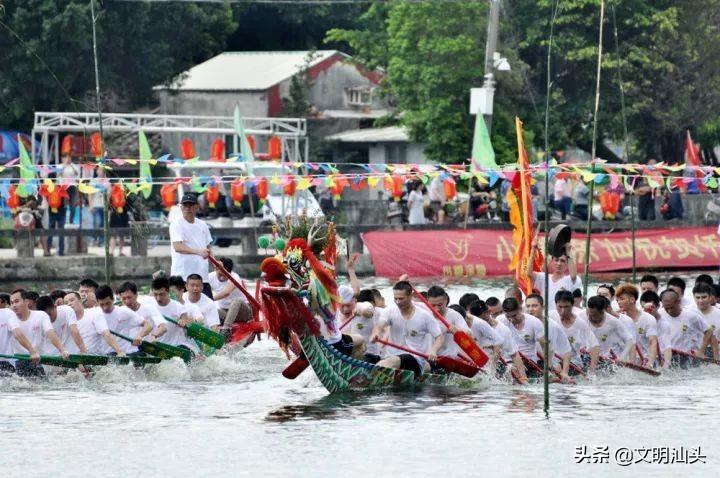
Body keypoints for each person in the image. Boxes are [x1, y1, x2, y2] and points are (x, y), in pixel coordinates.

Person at [369, 281, 444, 377]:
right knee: (390, 360)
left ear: (411, 296)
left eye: (401, 299)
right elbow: (379, 326)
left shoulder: (425, 316)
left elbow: (439, 337)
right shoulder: (390, 311)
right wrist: (376, 334)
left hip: (415, 360)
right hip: (391, 357)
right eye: (395, 299)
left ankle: (369, 376)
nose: (398, 302)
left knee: (393, 361)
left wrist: (433, 350)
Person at [10, 289, 69, 376]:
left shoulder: (41, 315)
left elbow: (50, 333)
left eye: (16, 301)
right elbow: (18, 334)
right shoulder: (10, 317)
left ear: (26, 302)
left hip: (38, 359)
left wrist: (62, 350)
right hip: (19, 359)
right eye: (11, 303)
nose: (14, 305)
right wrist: (32, 351)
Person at [169, 193, 214, 299]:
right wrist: (198, 252)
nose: (188, 208)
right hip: (182, 276)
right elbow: (178, 247)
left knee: (208, 306)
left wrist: (215, 263)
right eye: (185, 205)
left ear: (197, 207)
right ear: (181, 207)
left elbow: (208, 248)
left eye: (191, 205)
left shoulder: (203, 225)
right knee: (180, 309)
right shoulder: (176, 224)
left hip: (202, 275)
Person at [550, 291, 600, 375]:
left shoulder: (580, 324)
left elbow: (595, 347)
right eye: (560, 307)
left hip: (573, 362)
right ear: (555, 305)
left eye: (566, 307)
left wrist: (592, 370)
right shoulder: (550, 317)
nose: (563, 311)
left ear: (572, 305)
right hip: (552, 359)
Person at [525, 293, 572, 382]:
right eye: (528, 306)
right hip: (527, 362)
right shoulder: (521, 323)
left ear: (543, 307)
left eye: (534, 306)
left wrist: (565, 372)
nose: (530, 309)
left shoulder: (552, 326)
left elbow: (567, 351)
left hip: (547, 364)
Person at [95, 285, 153, 355]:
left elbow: (148, 325)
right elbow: (105, 335)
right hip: (109, 353)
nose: (105, 308)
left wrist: (140, 336)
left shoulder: (124, 311)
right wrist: (119, 352)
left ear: (113, 299)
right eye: (102, 304)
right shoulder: (95, 315)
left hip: (129, 352)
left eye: (108, 303)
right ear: (97, 302)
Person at [149, 277, 200, 355]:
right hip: (157, 345)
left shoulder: (179, 307)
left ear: (168, 291)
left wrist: (184, 323)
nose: (158, 298)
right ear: (152, 292)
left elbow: (187, 326)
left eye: (161, 294)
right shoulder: (149, 306)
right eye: (155, 294)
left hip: (178, 345)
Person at [659, 289, 712, 363]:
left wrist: (701, 351)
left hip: (686, 357)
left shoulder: (691, 316)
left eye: (671, 307)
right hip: (666, 355)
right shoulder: (658, 315)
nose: (669, 311)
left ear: (678, 302)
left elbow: (709, 330)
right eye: (666, 308)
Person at [527, 242, 580, 312]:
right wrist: (533, 249)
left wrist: (568, 252)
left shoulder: (569, 279)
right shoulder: (543, 277)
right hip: (545, 317)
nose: (559, 263)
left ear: (567, 264)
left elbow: (573, 276)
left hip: (562, 316)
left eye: (562, 261)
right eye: (556, 260)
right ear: (552, 261)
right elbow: (529, 273)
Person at [498, 298, 547, 370]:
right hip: (507, 362)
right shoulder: (499, 321)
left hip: (528, 362)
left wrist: (548, 366)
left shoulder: (534, 322)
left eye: (514, 315)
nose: (511, 319)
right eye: (508, 317)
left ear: (520, 309)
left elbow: (545, 347)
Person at [616, 284, 658, 367]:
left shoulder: (648, 318)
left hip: (644, 360)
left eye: (622, 299)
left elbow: (653, 342)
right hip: (626, 361)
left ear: (632, 299)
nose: (619, 302)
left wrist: (650, 363)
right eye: (617, 300)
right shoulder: (617, 319)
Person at [424, 286, 471, 361]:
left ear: (446, 300)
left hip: (449, 358)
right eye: (433, 305)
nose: (437, 309)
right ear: (427, 301)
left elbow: (469, 334)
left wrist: (457, 330)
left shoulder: (454, 315)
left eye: (440, 305)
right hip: (428, 356)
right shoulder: (424, 314)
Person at [584, 295, 634, 361]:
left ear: (603, 311)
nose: (593, 317)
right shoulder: (580, 317)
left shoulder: (612, 321)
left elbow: (630, 340)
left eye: (596, 315)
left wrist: (622, 357)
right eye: (591, 314)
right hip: (587, 356)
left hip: (606, 360)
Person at [208, 257, 250, 327]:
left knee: (237, 301)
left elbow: (226, 293)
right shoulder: (210, 276)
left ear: (230, 272)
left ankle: (226, 329)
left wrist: (209, 299)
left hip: (242, 313)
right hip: (225, 312)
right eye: (220, 275)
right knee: (211, 311)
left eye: (225, 275)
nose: (222, 278)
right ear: (215, 269)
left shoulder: (235, 277)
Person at [0, 307, 40, 374]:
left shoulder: (7, 313)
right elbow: (17, 334)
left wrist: (32, 352)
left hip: (6, 363)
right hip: (6, 364)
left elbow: (17, 334)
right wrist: (32, 352)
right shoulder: (8, 313)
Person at [691, 284, 720, 359]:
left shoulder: (718, 313)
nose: (700, 300)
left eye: (704, 297)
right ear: (693, 297)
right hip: (692, 350)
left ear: (710, 297)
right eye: (697, 298)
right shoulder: (688, 312)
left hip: (713, 349)